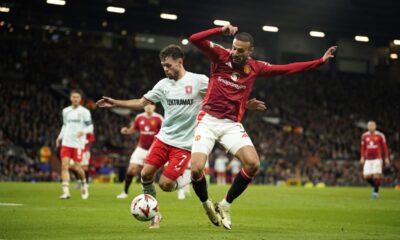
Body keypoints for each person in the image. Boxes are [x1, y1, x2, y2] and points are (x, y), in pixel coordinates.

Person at [96, 44, 265, 229]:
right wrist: (115, 103)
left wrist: (246, 104)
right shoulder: (163, 85)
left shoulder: (199, 81)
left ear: (179, 62)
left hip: (185, 145)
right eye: (163, 66)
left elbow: (223, 95)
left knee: (166, 185)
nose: (165, 69)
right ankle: (155, 214)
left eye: (168, 65)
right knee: (145, 174)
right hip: (163, 138)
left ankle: (192, 176)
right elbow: (141, 102)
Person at [189, 23, 337, 230]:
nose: (235, 52)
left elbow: (286, 69)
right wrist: (220, 30)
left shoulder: (255, 67)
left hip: (231, 124)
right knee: (196, 169)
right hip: (208, 120)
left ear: (250, 51)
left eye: (241, 50)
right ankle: (206, 205)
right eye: (234, 47)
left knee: (253, 164)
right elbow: (194, 38)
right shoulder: (220, 56)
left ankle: (225, 204)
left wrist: (319, 62)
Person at [117, 104, 163, 199]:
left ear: (154, 107)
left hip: (153, 149)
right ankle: (125, 192)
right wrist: (127, 131)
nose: (148, 107)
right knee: (130, 170)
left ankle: (150, 195)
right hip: (141, 148)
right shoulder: (139, 117)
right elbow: (134, 129)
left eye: (150, 105)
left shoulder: (159, 118)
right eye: (146, 105)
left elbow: (165, 131)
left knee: (150, 172)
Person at [56, 89, 93, 200]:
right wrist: (59, 137)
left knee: (77, 168)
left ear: (80, 99)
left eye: (77, 97)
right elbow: (65, 125)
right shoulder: (65, 111)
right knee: (64, 166)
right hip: (66, 142)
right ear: (70, 98)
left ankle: (84, 184)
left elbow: (90, 127)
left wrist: (84, 131)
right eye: (73, 97)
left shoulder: (85, 112)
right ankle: (66, 192)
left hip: (78, 144)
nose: (75, 99)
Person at [360, 121, 390, 199]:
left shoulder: (380, 135)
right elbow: (363, 148)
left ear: (375, 126)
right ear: (367, 126)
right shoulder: (364, 136)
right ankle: (376, 186)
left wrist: (386, 157)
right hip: (368, 159)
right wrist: (362, 157)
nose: (371, 127)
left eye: (372, 125)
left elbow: (385, 147)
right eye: (369, 125)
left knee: (376, 176)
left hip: (377, 158)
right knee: (366, 176)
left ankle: (375, 192)